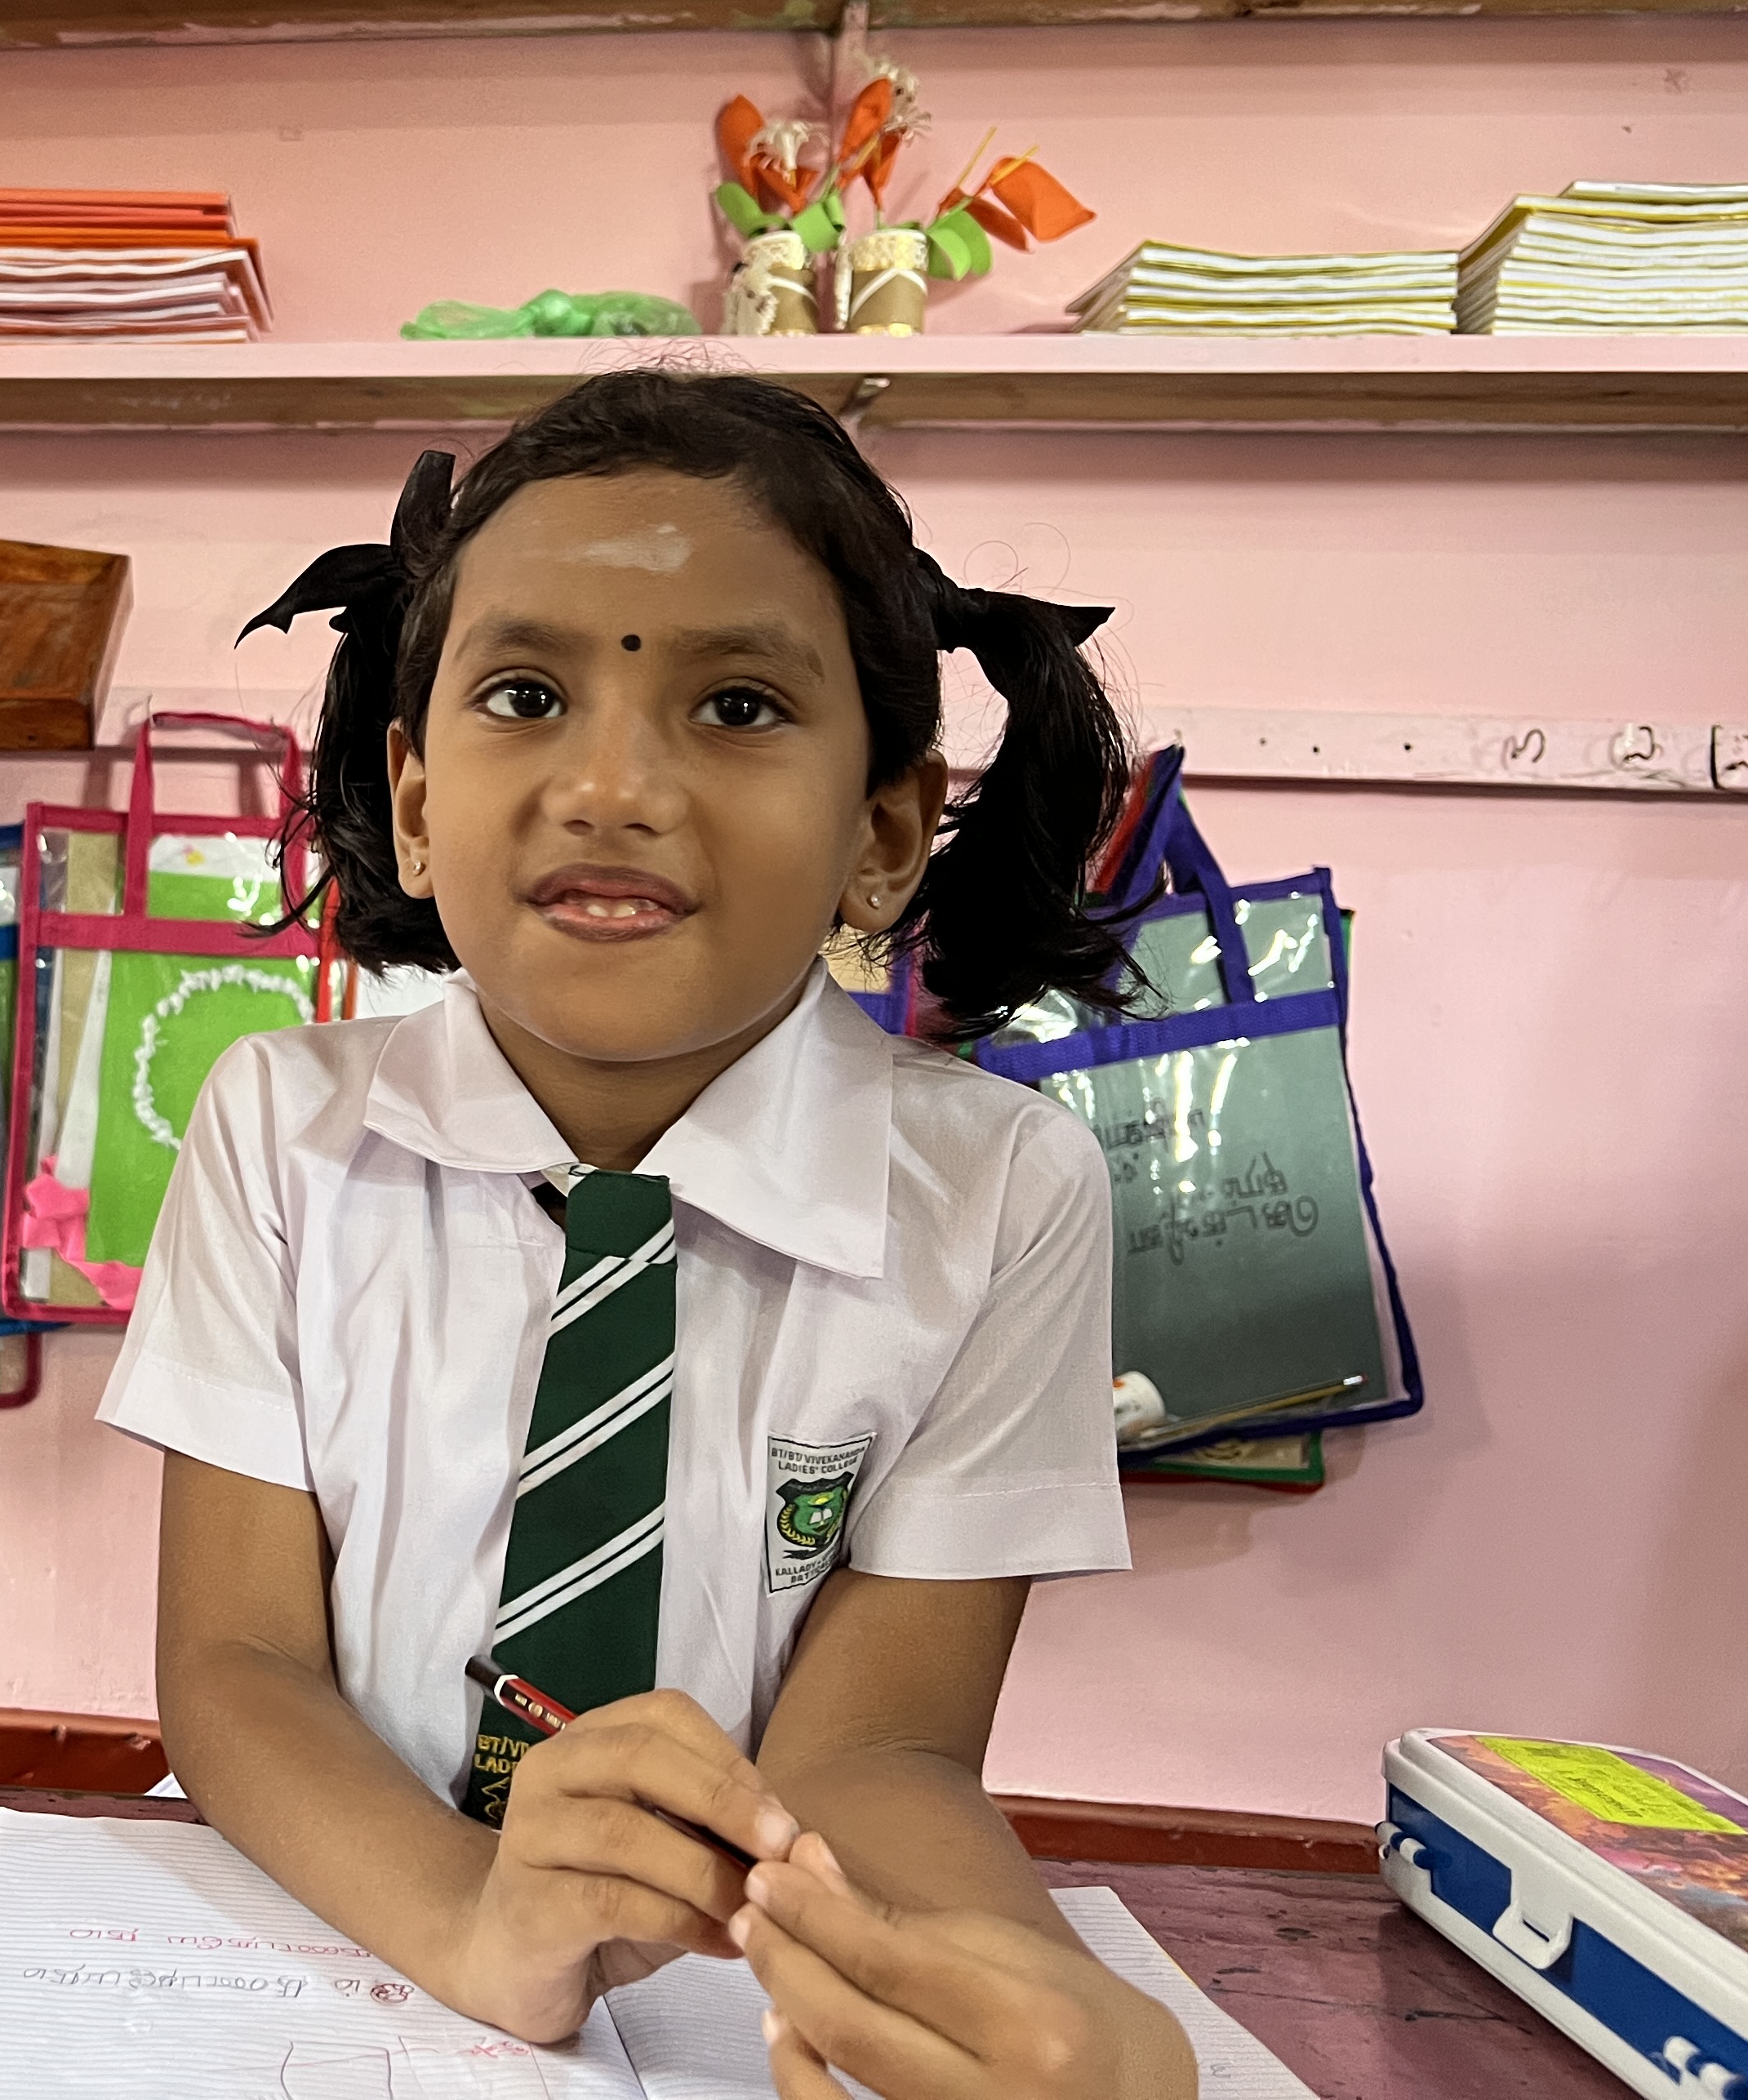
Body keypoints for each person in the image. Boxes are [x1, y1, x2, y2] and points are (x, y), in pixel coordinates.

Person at [102, 367, 1190, 2097]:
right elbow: (237, 1665)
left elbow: (883, 1749)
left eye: (738, 706)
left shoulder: (1005, 1195)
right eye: (526, 696)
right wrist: (474, 1919)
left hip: (712, 2000)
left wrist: (1030, 2003)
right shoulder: (278, 1131)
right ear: (416, 800)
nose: (611, 786)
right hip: (312, 1943)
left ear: (886, 831)